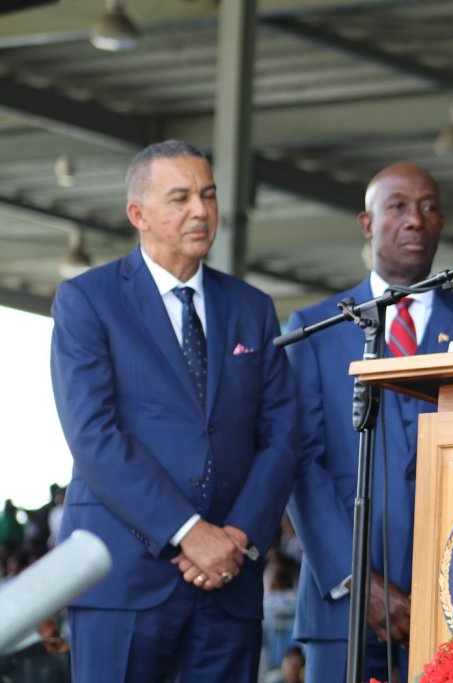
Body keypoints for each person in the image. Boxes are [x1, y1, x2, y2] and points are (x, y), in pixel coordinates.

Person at [50, 139, 299, 682]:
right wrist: (188, 531)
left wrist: (237, 537)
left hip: (229, 582)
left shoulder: (252, 308)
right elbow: (94, 436)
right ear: (137, 214)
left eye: (208, 196)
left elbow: (283, 436)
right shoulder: (87, 301)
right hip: (122, 580)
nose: (201, 211)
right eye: (181, 197)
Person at [286, 163, 453, 682]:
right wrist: (355, 578)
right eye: (398, 206)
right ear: (367, 223)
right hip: (340, 606)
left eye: (429, 207)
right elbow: (300, 463)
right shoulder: (315, 331)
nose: (415, 220)